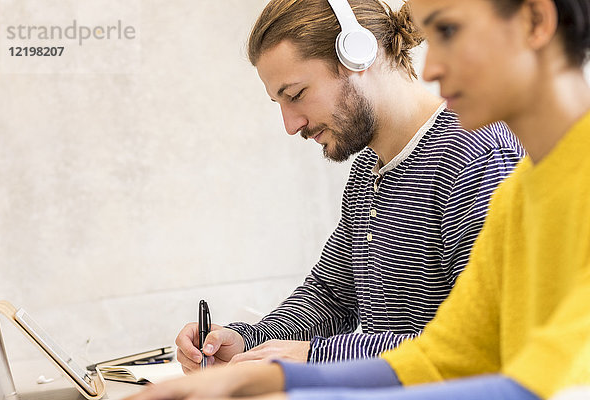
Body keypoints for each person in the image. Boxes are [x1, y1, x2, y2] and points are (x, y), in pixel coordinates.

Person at [124, 0, 590, 399]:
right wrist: (255, 364)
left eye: (448, 31)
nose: (430, 67)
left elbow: (528, 382)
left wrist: (296, 374)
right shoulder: (519, 191)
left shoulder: (489, 162)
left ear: (535, 20)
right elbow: (444, 353)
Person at [175, 0, 524, 372]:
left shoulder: (476, 157)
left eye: (295, 95)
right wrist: (247, 341)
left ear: (359, 56)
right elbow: (331, 297)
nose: (291, 125)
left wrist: (316, 356)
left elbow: (489, 338)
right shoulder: (366, 173)